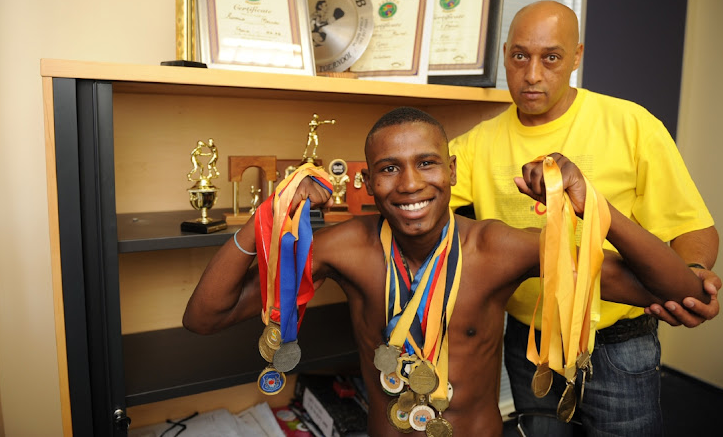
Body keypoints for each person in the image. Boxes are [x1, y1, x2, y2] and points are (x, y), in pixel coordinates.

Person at [184, 107, 709, 436]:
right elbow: (205, 318)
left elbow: (672, 288)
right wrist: (267, 217)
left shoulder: (497, 248)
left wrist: (592, 205)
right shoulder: (345, 248)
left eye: (427, 163)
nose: (410, 184)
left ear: (452, 171)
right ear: (367, 182)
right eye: (389, 169)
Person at [449, 0, 720, 435]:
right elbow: (419, 193)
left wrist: (689, 273)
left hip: (617, 344)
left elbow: (691, 225)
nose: (532, 74)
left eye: (551, 57)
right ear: (505, 54)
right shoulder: (479, 142)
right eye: (520, 56)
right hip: (529, 341)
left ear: (576, 56)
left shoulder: (631, 124)